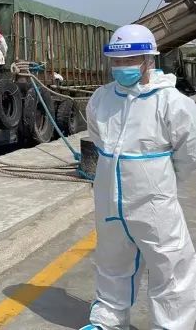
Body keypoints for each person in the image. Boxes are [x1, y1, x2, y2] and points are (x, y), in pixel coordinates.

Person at [82, 24, 196, 330]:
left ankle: (172, 325)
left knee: (169, 264)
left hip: (153, 200)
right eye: (117, 61)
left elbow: (189, 154)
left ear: (149, 60)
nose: (122, 67)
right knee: (111, 260)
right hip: (109, 198)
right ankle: (107, 320)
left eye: (130, 60)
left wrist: (158, 179)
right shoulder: (102, 98)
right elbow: (98, 138)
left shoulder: (172, 102)